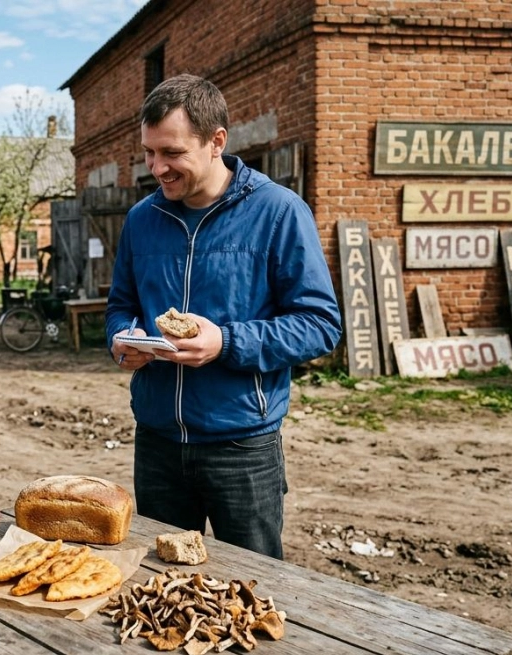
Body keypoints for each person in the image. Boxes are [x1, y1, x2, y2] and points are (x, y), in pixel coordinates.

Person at [106, 74, 341, 560]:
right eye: (149, 153)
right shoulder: (141, 220)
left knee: (252, 590)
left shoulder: (278, 212)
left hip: (243, 449)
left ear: (216, 142)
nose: (156, 167)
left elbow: (321, 324)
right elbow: (121, 304)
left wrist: (226, 343)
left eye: (171, 153)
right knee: (159, 586)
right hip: (157, 444)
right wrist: (123, 336)